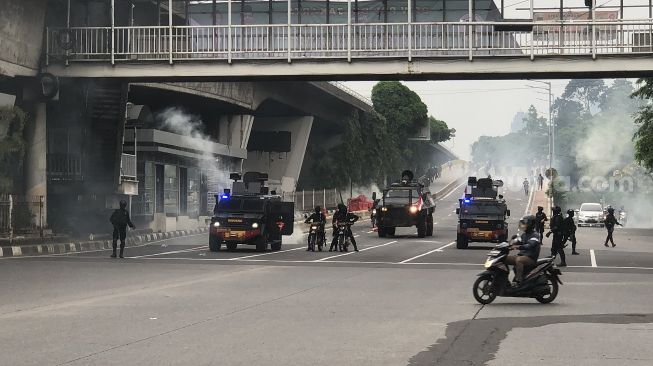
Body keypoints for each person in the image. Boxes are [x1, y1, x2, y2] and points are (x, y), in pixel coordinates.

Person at [505, 215, 541, 285]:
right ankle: (504, 279)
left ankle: (519, 280)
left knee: (519, 260)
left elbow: (530, 245)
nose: (524, 225)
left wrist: (518, 247)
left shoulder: (535, 235)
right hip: (522, 256)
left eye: (525, 224)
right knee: (504, 258)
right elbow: (516, 241)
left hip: (530, 258)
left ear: (531, 224)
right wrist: (507, 245)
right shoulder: (524, 235)